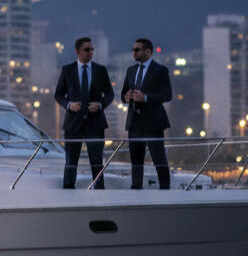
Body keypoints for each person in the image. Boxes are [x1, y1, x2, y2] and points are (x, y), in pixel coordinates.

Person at [55, 36, 114, 189]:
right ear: (77, 51)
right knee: (70, 162)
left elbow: (110, 94)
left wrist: (100, 105)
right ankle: (68, 192)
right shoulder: (67, 70)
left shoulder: (100, 70)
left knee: (97, 162)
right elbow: (58, 95)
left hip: (95, 123)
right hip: (73, 123)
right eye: (87, 49)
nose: (90, 52)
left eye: (92, 49)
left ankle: (99, 191)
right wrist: (69, 105)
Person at [121, 37, 172, 189]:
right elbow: (123, 94)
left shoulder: (160, 70)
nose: (134, 52)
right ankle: (136, 189)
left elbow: (167, 95)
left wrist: (145, 97)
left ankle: (165, 190)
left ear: (148, 52)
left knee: (159, 159)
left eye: (137, 50)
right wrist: (126, 97)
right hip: (134, 122)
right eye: (133, 50)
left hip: (153, 123)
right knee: (136, 161)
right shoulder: (131, 70)